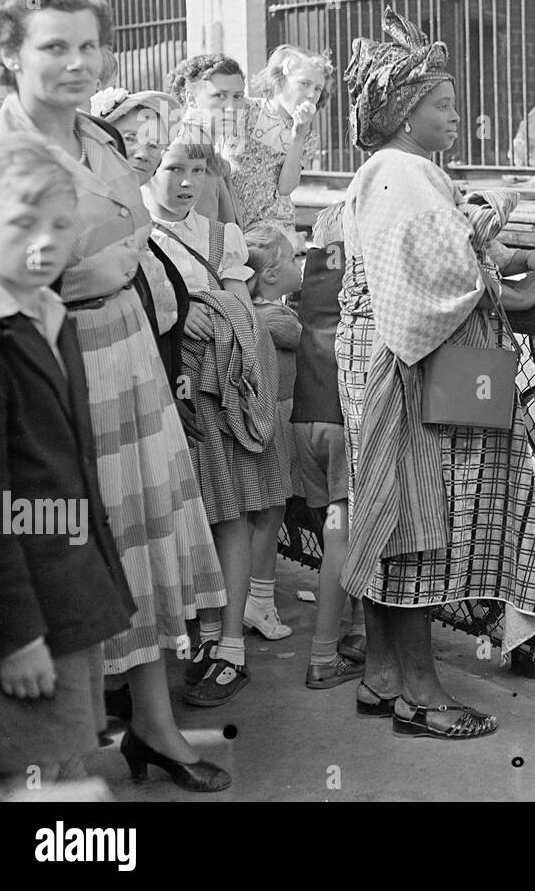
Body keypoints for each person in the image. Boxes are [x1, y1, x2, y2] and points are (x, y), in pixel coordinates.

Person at [0, 0, 229, 792]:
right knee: (81, 536)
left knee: (148, 533)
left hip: (131, 345)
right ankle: (49, 761)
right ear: (10, 52)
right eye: (54, 45)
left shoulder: (104, 137)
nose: (76, 62)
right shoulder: (0, 155)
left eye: (89, 45)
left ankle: (153, 727)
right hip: (58, 357)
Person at [337, 9, 535, 738]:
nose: (456, 118)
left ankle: (381, 675)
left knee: (389, 508)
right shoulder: (402, 172)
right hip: (407, 365)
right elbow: (436, 272)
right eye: (442, 105)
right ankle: (421, 692)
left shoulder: (392, 171)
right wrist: (495, 212)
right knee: (416, 521)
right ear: (405, 114)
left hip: (390, 357)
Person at [0, 136, 135, 794]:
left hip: (70, 598)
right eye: (22, 223)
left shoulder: (48, 314)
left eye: (60, 226)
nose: (43, 244)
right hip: (27, 615)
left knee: (65, 760)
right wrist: (14, 634)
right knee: (40, 777)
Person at [140, 139, 284, 706]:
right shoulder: (134, 234)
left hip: (219, 389)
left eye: (198, 170)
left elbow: (241, 311)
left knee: (231, 511)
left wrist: (216, 310)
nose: (187, 181)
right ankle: (192, 639)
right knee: (179, 513)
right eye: (175, 168)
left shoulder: (221, 237)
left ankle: (229, 649)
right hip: (162, 382)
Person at [294, 202, 367, 689]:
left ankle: (357, 632)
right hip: (342, 427)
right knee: (343, 540)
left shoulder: (312, 276)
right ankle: (323, 656)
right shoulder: (359, 274)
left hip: (305, 425)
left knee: (333, 534)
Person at [242, 222, 304, 641]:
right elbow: (306, 335)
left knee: (255, 514)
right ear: (270, 276)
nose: (302, 263)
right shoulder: (278, 319)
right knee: (271, 512)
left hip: (255, 420)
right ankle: (260, 604)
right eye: (295, 258)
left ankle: (247, 596)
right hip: (276, 421)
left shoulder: (247, 314)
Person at [225, 45, 333, 237]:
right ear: (280, 80)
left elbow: (285, 187)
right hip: (229, 215)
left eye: (318, 89)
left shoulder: (307, 136)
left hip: (271, 224)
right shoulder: (246, 110)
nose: (311, 94)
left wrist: (298, 137)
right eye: (304, 84)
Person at [166, 54, 244, 225]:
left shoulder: (211, 155)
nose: (231, 108)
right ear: (191, 99)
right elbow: (204, 242)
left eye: (237, 97)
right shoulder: (189, 155)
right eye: (219, 96)